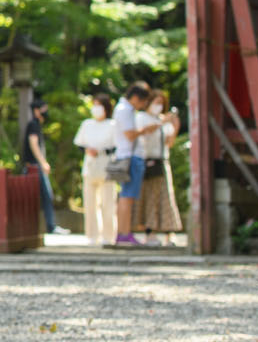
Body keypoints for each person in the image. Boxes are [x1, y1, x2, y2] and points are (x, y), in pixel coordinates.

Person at [112, 82, 157, 247]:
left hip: (126, 155)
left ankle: (123, 233)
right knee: (127, 197)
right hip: (129, 157)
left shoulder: (124, 109)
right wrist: (145, 130)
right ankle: (124, 233)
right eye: (143, 102)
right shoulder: (125, 110)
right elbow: (130, 135)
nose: (143, 106)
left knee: (126, 196)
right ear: (136, 98)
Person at [72, 93, 119, 248]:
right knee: (90, 203)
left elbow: (117, 146)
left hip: (107, 164)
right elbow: (79, 143)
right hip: (90, 165)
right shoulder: (87, 124)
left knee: (108, 203)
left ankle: (108, 235)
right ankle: (92, 235)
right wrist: (88, 150)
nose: (96, 108)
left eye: (99, 105)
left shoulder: (113, 125)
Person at [137, 89, 183, 247]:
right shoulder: (142, 118)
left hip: (162, 161)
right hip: (147, 161)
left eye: (161, 104)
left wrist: (175, 127)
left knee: (166, 198)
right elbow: (144, 133)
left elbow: (169, 143)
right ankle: (150, 234)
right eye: (156, 102)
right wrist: (162, 122)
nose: (158, 106)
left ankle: (169, 234)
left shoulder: (163, 120)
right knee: (149, 198)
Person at [22, 99, 58, 234]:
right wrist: (43, 163)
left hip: (35, 166)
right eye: (44, 109)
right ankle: (50, 226)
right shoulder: (33, 125)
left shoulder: (36, 125)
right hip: (34, 167)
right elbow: (33, 143)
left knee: (41, 197)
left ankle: (47, 226)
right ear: (37, 111)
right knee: (45, 196)